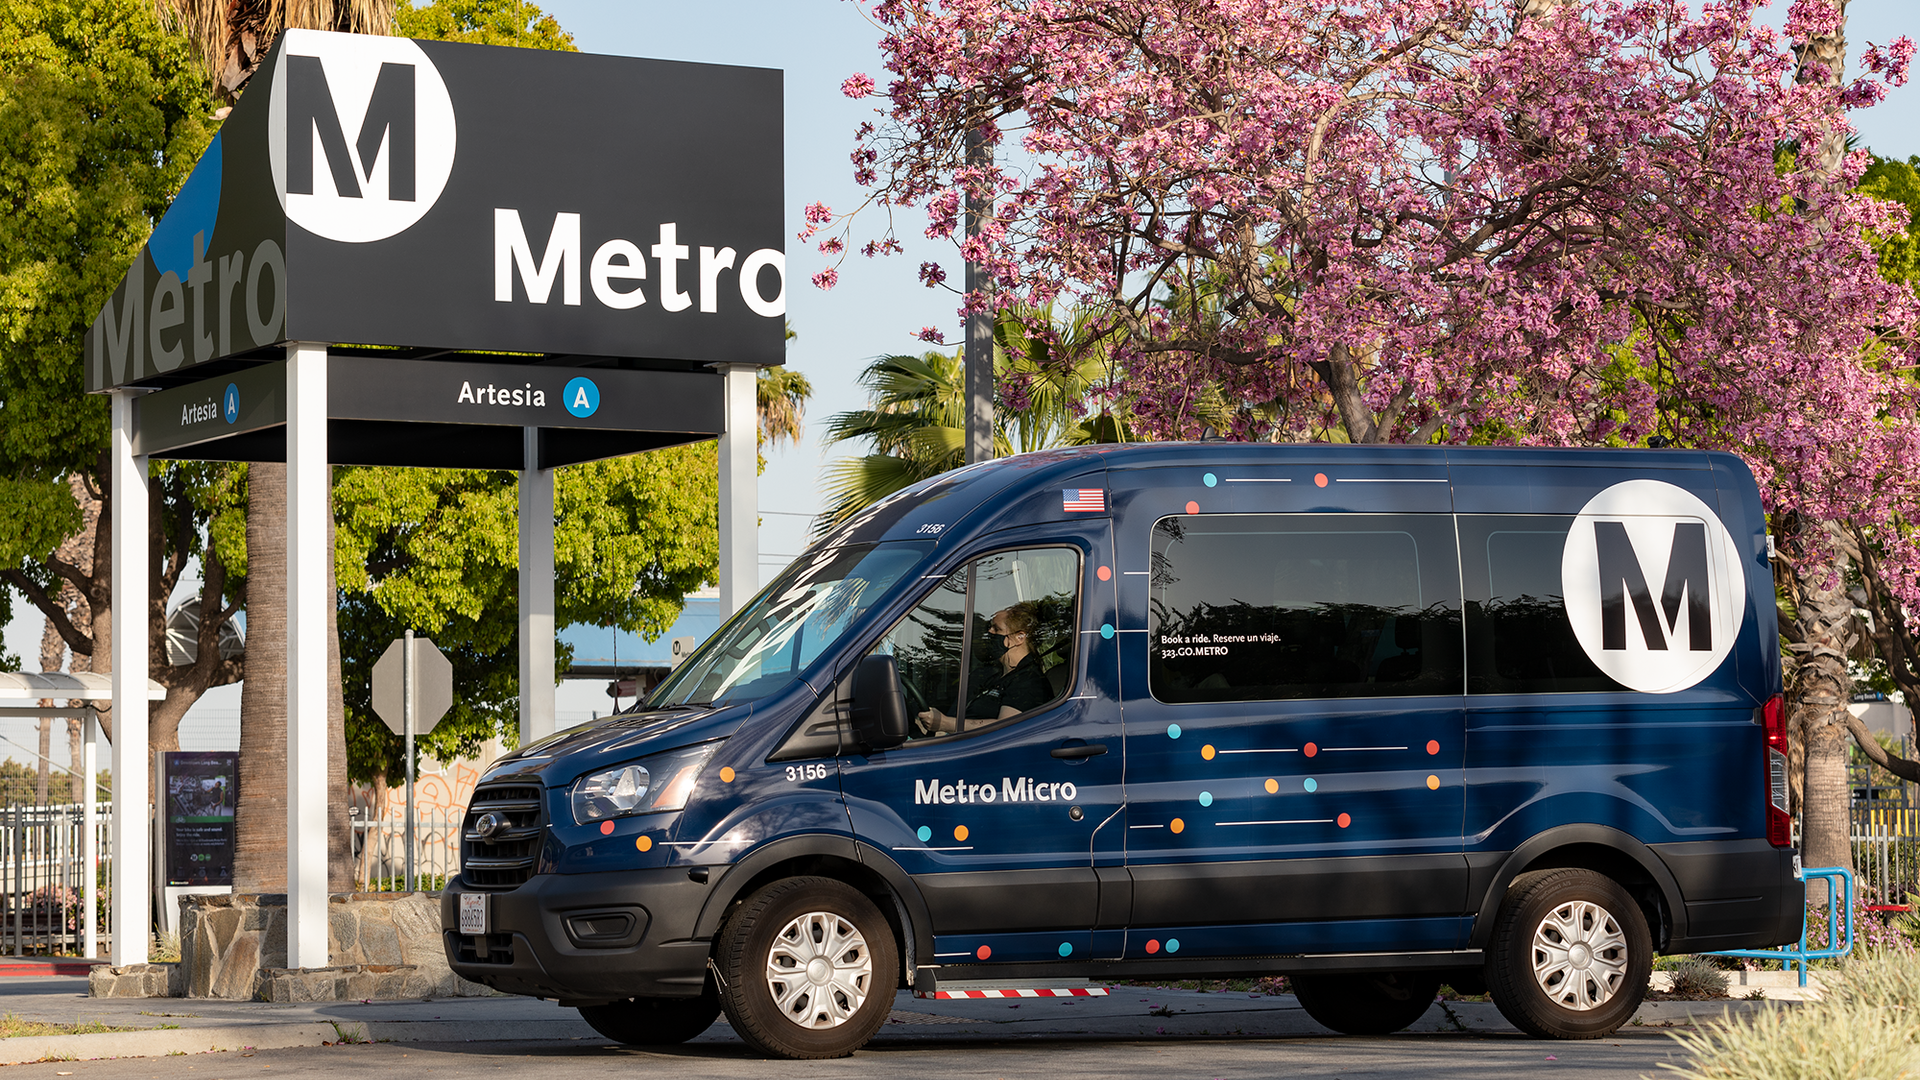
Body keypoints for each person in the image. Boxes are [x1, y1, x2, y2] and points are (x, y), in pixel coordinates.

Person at [915, 601, 1053, 735]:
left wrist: (946, 724)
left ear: (1019, 637)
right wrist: (938, 728)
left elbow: (1005, 728)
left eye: (997, 629)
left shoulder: (1030, 681)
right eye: (990, 627)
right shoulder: (991, 674)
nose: (990, 632)